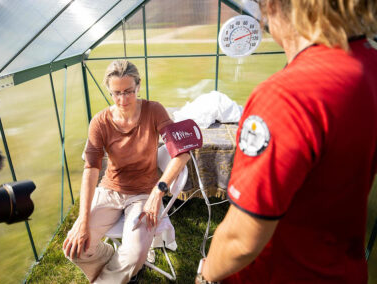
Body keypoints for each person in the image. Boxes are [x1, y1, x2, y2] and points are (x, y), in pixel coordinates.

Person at [197, 0, 377, 283]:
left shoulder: (289, 95)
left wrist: (205, 276)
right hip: (342, 268)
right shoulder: (368, 65)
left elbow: (241, 239)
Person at [63, 60, 190, 283]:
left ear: (138, 86)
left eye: (128, 92)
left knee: (133, 256)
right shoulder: (100, 122)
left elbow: (182, 152)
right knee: (74, 248)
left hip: (144, 193)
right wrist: (82, 223)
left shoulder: (154, 110)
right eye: (116, 93)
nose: (123, 100)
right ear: (109, 91)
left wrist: (158, 192)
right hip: (110, 189)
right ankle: (120, 265)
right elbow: (91, 170)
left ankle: (123, 268)